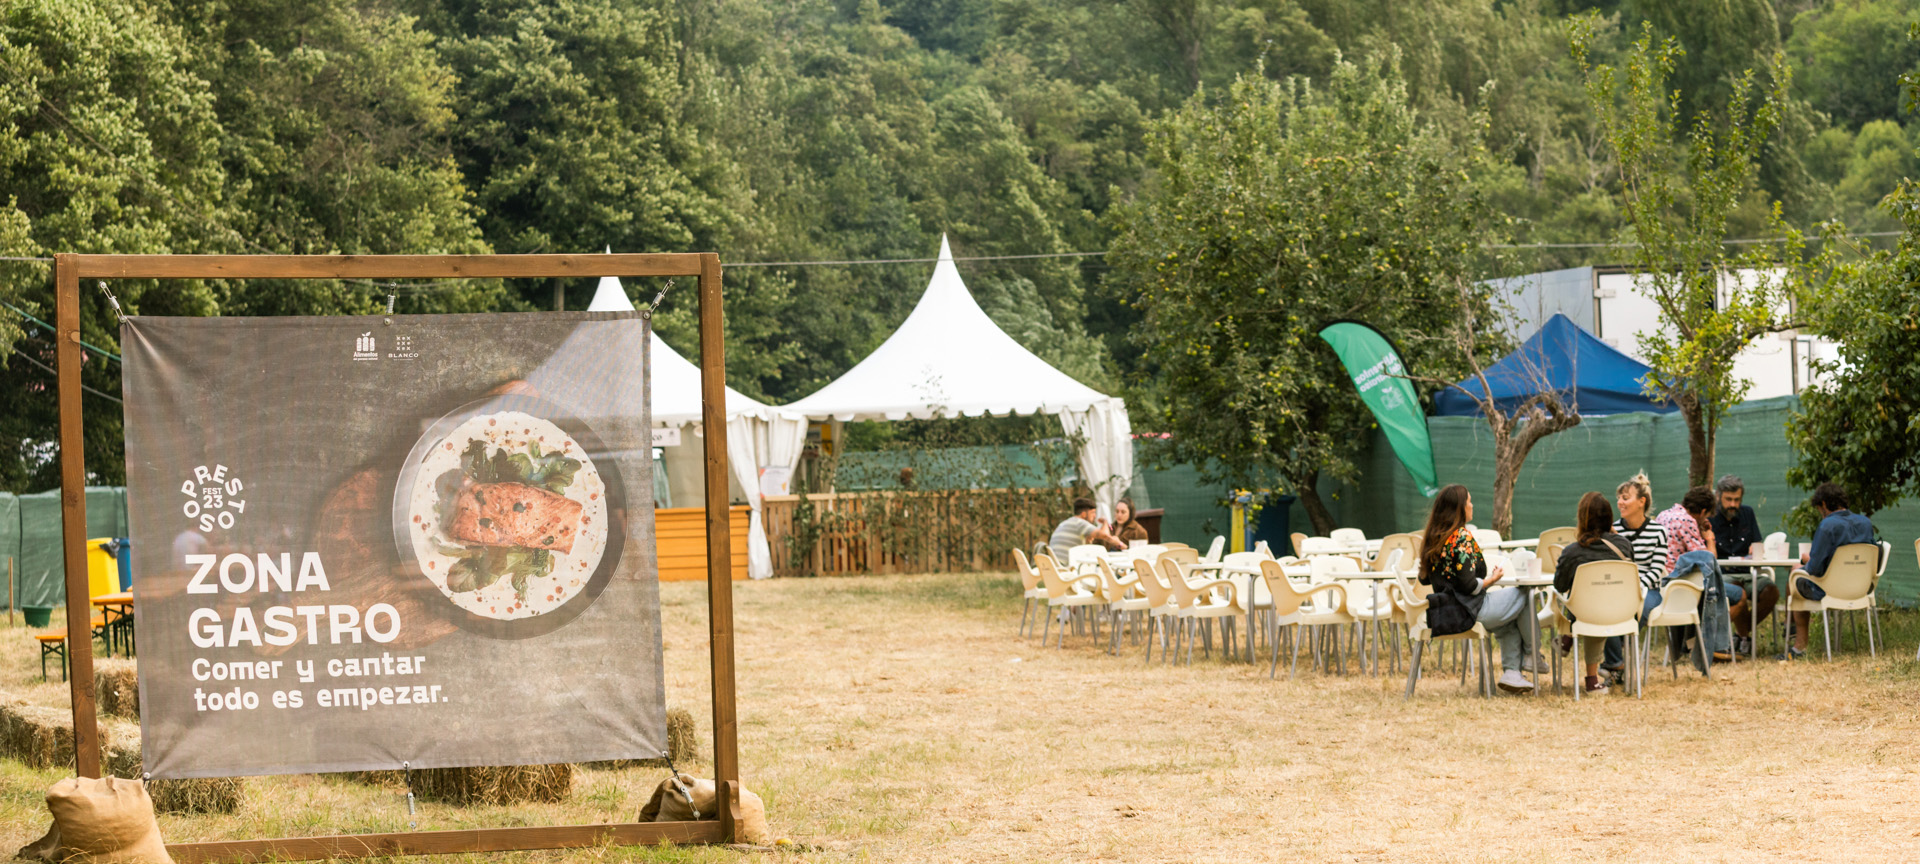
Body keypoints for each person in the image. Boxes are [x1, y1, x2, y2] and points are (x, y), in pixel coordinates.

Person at [1417, 484, 1538, 694]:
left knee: (1509, 621)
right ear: (1460, 508)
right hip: (1469, 610)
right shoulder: (1461, 537)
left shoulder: (1434, 538)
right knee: (1525, 592)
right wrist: (1493, 579)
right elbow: (1470, 586)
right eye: (1469, 501)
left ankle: (1512, 674)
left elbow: (1424, 579)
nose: (1472, 505)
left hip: (1446, 611)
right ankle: (1532, 655)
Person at [1552, 491, 1634, 695]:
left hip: (1587, 615)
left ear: (1582, 519)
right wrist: (1613, 534)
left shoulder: (1572, 551)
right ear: (1609, 518)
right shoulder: (1624, 545)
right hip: (1621, 612)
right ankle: (1591, 679)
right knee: (1599, 599)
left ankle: (1568, 636)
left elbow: (1560, 586)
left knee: (1584, 599)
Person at [1786, 482, 1877, 657]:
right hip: (1861, 589)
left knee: (1795, 572)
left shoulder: (1827, 526)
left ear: (1824, 504)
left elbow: (1814, 568)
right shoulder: (1865, 523)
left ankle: (1798, 645)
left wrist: (1806, 559)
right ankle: (1791, 630)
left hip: (1829, 591)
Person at [1654, 486, 1740, 665]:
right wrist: (1709, 539)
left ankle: (1694, 644)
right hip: (1682, 588)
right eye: (1707, 515)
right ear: (1701, 512)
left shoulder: (1663, 515)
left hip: (1661, 585)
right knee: (1739, 595)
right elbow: (1708, 561)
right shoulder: (1687, 522)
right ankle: (1713, 647)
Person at [1602, 472, 1668, 683]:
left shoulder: (1658, 531)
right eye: (1619, 498)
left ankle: (1615, 663)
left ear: (1642, 502)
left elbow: (1656, 570)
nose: (1620, 502)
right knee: (1604, 610)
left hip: (1649, 591)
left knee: (1639, 610)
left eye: (1625, 498)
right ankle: (1616, 663)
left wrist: (1637, 587)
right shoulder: (1613, 529)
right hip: (1617, 589)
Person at [1708, 474, 1777, 655]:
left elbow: (1756, 542)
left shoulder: (1747, 513)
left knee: (1772, 592)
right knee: (1738, 590)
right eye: (1728, 500)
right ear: (1718, 497)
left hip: (1748, 571)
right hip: (1723, 574)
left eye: (1737, 500)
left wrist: (1756, 549)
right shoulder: (1710, 517)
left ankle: (1741, 634)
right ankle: (1745, 639)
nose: (1733, 504)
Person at [1050, 497, 1120, 563]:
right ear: (1083, 514)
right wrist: (1105, 522)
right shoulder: (1080, 523)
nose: (1095, 516)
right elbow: (1105, 535)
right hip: (1068, 568)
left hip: (1056, 567)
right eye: (1093, 512)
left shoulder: (1064, 523)